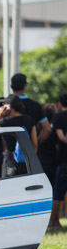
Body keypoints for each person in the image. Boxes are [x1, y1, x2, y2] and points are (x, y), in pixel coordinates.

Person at [0, 94, 37, 177]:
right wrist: (31, 159)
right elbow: (35, 144)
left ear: (8, 107)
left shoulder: (5, 121)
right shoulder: (29, 120)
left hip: (10, 162)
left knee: (8, 183)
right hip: (27, 162)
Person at [10, 73, 51, 145]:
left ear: (11, 86)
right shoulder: (35, 105)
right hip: (30, 149)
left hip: (9, 149)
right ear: (25, 86)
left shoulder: (4, 105)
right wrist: (35, 144)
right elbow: (47, 129)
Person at [50, 93, 67, 228]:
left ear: (60, 104)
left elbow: (61, 137)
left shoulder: (59, 117)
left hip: (63, 158)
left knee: (58, 192)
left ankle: (52, 221)